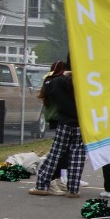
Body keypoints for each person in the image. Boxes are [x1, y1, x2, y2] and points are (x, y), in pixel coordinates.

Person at [30, 58, 85, 198]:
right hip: (81, 122)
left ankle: (42, 185)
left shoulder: (59, 82)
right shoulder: (85, 81)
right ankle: (73, 189)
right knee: (77, 156)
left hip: (65, 121)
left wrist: (63, 75)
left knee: (55, 154)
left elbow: (48, 86)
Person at [38, 60, 69, 195]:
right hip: (58, 118)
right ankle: (51, 179)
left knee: (65, 152)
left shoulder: (51, 80)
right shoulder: (54, 82)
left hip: (59, 118)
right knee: (59, 152)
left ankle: (58, 178)